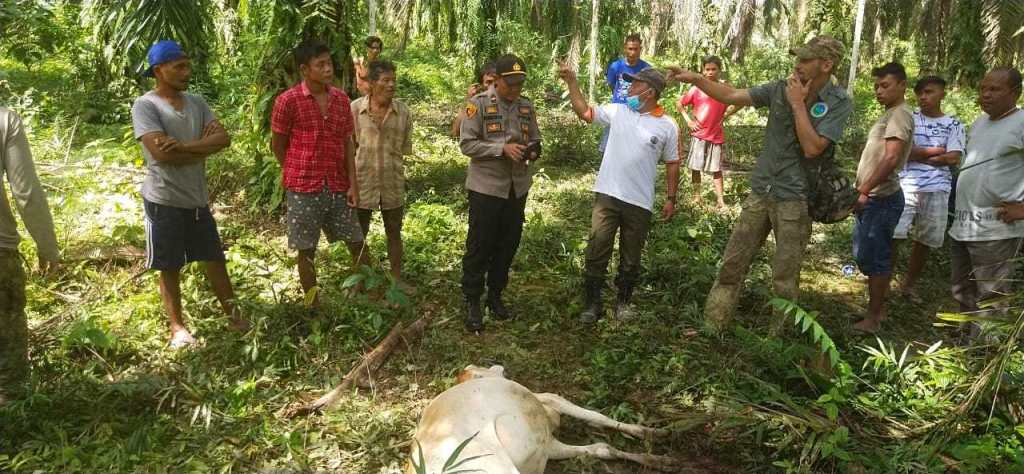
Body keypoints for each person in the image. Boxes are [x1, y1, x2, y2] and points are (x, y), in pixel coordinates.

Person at [667, 35, 853, 333]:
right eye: (798, 58)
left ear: (826, 65)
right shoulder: (779, 88)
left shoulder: (838, 102)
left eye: (806, 60)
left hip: (796, 198)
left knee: (784, 277)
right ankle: (712, 326)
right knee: (732, 263)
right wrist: (696, 79)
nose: (798, 65)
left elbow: (813, 148)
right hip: (761, 190)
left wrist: (797, 105)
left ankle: (776, 340)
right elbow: (731, 95)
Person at [132, 40, 249, 349]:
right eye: (179, 66)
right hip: (163, 199)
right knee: (169, 265)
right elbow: (161, 154)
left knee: (214, 257)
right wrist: (202, 148)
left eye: (187, 65)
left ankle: (235, 317)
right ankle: (177, 328)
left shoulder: (196, 102)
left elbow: (223, 138)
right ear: (159, 70)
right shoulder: (146, 106)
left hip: (197, 199)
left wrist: (183, 147)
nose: (187, 72)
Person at [558, 65, 680, 323]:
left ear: (649, 92)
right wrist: (572, 82)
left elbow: (672, 163)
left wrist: (671, 198)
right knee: (597, 248)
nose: (629, 89)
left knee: (631, 257)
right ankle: (593, 303)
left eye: (634, 84)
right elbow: (585, 112)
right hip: (608, 195)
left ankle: (623, 302)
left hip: (640, 201)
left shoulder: (668, 126)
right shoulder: (618, 111)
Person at [271, 40, 370, 308]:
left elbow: (347, 143)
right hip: (303, 187)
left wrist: (352, 184)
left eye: (329, 63)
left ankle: (369, 294)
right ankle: (312, 305)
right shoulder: (287, 101)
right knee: (306, 250)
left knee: (357, 241)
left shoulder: (341, 100)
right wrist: (293, 170)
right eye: (321, 65)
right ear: (305, 69)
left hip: (337, 183)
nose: (328, 69)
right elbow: (278, 144)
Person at [458, 54, 541, 332]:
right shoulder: (478, 104)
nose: (515, 89)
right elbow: (467, 145)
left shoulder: (526, 106)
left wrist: (532, 150)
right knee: (480, 245)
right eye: (510, 84)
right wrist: (500, 149)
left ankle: (495, 295)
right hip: (487, 187)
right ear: (497, 80)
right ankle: (472, 299)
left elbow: (535, 137)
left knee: (507, 244)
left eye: (520, 84)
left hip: (517, 188)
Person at [948, 67, 1024, 341]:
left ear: (1015, 93)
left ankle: (985, 353)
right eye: (983, 88)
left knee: (991, 296)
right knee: (962, 289)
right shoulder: (980, 123)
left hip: (997, 230)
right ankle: (965, 340)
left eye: (994, 89)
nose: (986, 95)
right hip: (964, 225)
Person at [0, 106, 60, 404]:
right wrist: (47, 245)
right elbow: (27, 192)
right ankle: (10, 408)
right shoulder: (4, 119)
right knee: (7, 371)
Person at [850, 62, 913, 333]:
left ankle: (873, 318)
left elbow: (891, 158)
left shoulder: (900, 115)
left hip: (881, 198)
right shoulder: (890, 114)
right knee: (865, 255)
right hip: (874, 197)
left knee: (876, 258)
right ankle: (876, 309)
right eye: (876, 86)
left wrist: (865, 190)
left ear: (902, 85)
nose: (879, 91)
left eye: (885, 85)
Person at [893, 76, 964, 300]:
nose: (923, 97)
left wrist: (917, 153)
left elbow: (953, 158)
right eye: (920, 93)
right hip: (905, 185)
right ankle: (883, 282)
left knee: (924, 240)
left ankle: (909, 285)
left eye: (929, 92)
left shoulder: (954, 124)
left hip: (938, 188)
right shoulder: (909, 118)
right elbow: (902, 152)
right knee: (894, 235)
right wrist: (936, 151)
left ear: (942, 94)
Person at [350, 60, 414, 290]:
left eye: (393, 80)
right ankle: (361, 278)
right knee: (358, 233)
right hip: (362, 181)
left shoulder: (403, 112)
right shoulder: (355, 109)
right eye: (385, 80)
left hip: (392, 180)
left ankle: (396, 280)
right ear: (372, 83)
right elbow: (349, 147)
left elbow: (404, 147)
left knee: (394, 231)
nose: (391, 85)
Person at [676, 55, 742, 209]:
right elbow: (680, 103)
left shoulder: (725, 88)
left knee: (717, 169)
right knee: (696, 167)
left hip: (716, 134)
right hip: (699, 134)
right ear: (703, 71)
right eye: (707, 69)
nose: (710, 72)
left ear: (719, 70)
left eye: (714, 69)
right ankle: (696, 196)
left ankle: (720, 200)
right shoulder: (696, 88)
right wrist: (688, 121)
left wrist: (727, 114)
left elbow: (740, 101)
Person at [600, 34, 651, 152]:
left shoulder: (646, 69)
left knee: (632, 148)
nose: (632, 53)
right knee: (608, 147)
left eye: (635, 49)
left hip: (637, 113)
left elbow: (649, 92)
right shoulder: (615, 66)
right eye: (630, 49)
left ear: (640, 49)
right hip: (617, 110)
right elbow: (612, 85)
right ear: (625, 49)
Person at [451, 62, 499, 138]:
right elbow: (456, 132)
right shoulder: (476, 104)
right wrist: (469, 100)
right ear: (481, 85)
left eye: (497, 82)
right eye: (489, 82)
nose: (493, 86)